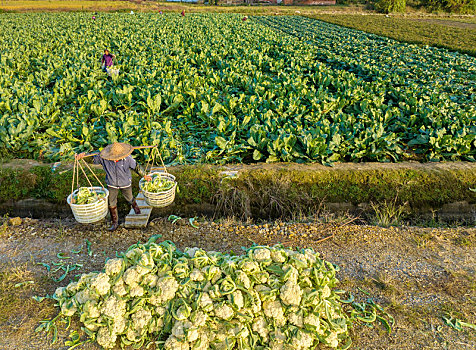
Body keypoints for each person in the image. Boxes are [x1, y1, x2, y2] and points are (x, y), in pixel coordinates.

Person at [76, 143, 152, 232]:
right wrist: (84, 156)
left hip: (125, 183)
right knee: (111, 202)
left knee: (129, 197)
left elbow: (137, 167)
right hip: (112, 184)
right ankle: (115, 222)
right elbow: (92, 159)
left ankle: (136, 209)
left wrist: (144, 175)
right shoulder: (104, 158)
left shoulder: (127, 158)